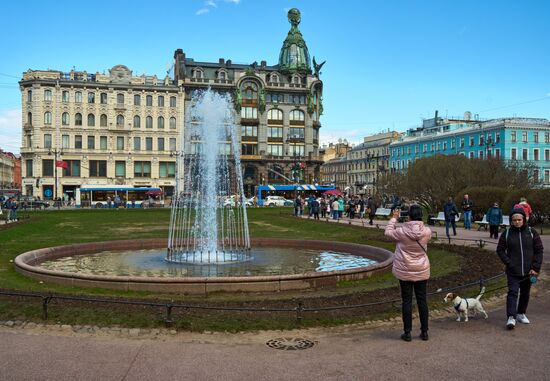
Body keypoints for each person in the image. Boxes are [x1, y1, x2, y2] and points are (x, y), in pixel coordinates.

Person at [385, 205, 432, 342]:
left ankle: (407, 332)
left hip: (405, 269)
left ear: (409, 216)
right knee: (422, 300)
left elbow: (388, 232)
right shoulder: (427, 232)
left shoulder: (401, 231)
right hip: (421, 269)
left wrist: (394, 218)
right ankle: (424, 332)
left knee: (407, 300)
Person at [496, 208, 543, 329]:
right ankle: (511, 317)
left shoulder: (532, 232)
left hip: (529, 271)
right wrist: (509, 263)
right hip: (513, 271)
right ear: (511, 221)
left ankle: (521, 313)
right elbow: (500, 250)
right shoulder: (506, 233)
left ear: (523, 219)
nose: (517, 222)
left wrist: (535, 267)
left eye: (519, 219)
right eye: (514, 220)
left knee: (525, 293)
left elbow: (539, 250)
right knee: (512, 292)